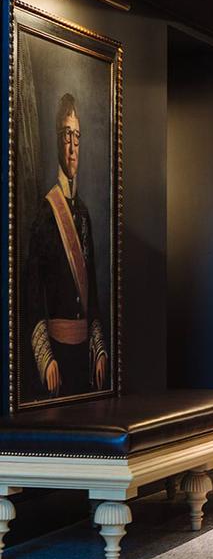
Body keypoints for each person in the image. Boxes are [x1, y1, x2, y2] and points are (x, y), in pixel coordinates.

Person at [25, 93, 107, 398]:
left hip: (84, 357)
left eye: (76, 136)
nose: (72, 147)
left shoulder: (84, 214)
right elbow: (33, 296)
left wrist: (98, 348)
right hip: (57, 354)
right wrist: (45, 358)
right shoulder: (45, 213)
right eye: (65, 135)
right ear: (57, 140)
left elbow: (92, 292)